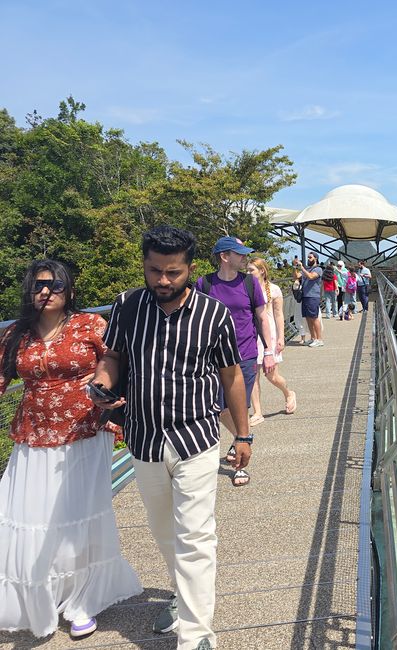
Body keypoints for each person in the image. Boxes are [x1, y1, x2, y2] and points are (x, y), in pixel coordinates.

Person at [92, 226, 249, 649]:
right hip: (143, 437)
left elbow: (231, 375)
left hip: (196, 436)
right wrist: (102, 383)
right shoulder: (126, 305)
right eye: (154, 270)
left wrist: (243, 435)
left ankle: (197, 635)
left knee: (195, 535)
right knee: (164, 531)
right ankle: (182, 594)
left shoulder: (213, 314)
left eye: (173, 272)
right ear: (144, 265)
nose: (163, 280)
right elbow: (112, 355)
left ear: (190, 269)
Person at [0, 260, 142, 640]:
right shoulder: (16, 334)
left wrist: (111, 393)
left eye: (55, 285)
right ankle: (42, 596)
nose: (46, 292)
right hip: (33, 437)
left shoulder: (90, 325)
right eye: (38, 285)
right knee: (31, 518)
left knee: (77, 517)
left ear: (70, 290)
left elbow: (118, 362)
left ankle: (83, 601)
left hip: (85, 433)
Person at [197, 236, 271, 488]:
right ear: (224, 256)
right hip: (214, 356)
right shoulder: (205, 284)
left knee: (240, 408)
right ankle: (242, 437)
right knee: (218, 407)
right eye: (239, 254)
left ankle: (240, 465)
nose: (244, 258)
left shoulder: (250, 283)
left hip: (245, 353)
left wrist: (269, 351)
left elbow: (262, 317)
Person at [247, 258, 297, 422]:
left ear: (262, 271)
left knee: (272, 376)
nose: (248, 273)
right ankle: (258, 412)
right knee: (253, 375)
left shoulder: (274, 289)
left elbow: (278, 314)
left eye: (251, 270)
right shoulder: (245, 288)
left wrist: (281, 337)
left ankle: (288, 393)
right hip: (251, 334)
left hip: (269, 335)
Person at [295, 255, 326, 346]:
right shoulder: (307, 269)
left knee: (314, 317)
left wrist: (302, 268)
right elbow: (296, 276)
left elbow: (311, 277)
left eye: (310, 257)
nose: (308, 259)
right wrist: (295, 267)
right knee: (308, 318)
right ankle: (313, 338)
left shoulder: (318, 269)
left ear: (315, 258)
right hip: (305, 296)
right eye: (308, 257)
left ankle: (319, 339)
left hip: (313, 296)